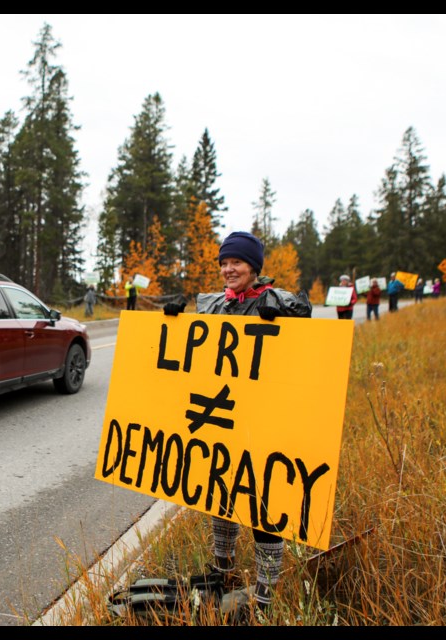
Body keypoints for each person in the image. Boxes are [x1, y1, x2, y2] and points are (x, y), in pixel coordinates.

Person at [162, 230, 312, 617]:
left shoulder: (281, 300)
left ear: (254, 267)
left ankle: (265, 593)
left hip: (266, 419)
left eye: (237, 263)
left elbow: (309, 346)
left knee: (264, 505)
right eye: (224, 263)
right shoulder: (211, 304)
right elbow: (192, 354)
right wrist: (174, 323)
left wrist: (283, 322)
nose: (229, 269)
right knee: (221, 495)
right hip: (222, 417)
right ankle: (222, 572)